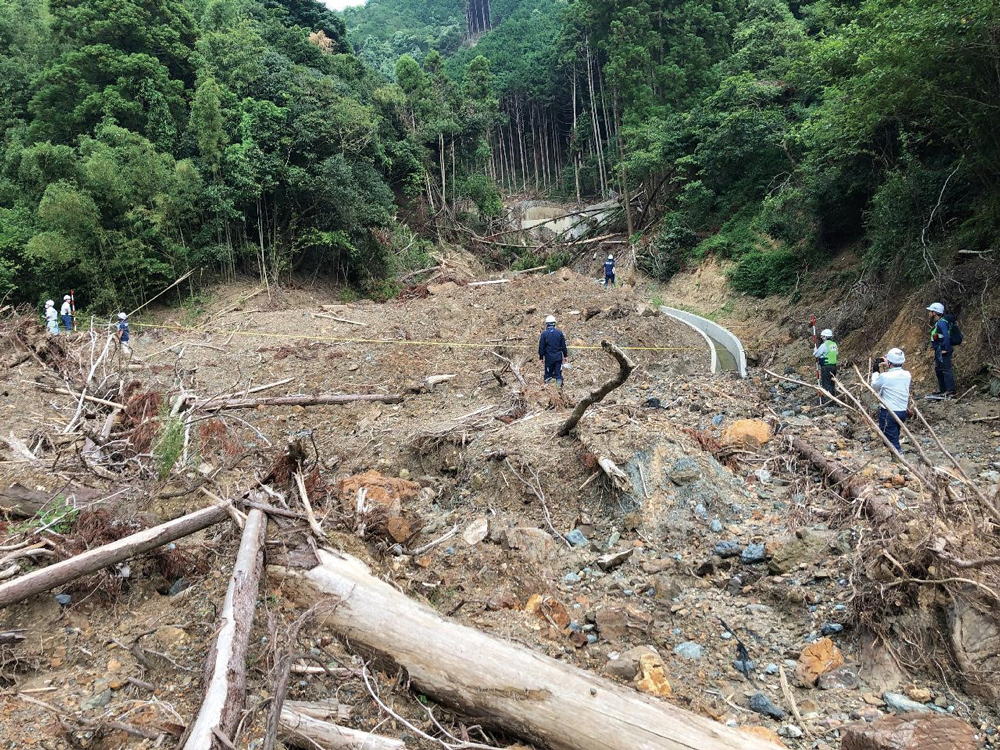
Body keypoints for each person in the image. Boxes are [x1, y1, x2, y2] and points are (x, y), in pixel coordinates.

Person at [871, 347, 911, 452]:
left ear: (889, 362)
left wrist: (875, 371)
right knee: (894, 434)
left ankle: (898, 460)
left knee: (890, 440)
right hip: (902, 411)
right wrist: (889, 362)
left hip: (888, 412)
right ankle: (895, 457)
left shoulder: (885, 376)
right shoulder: (907, 375)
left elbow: (874, 386)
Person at [926, 302, 955, 398]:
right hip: (939, 349)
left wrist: (946, 349)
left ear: (935, 312)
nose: (929, 313)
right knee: (939, 369)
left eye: (930, 311)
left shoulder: (942, 323)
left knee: (946, 369)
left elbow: (946, 336)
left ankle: (950, 390)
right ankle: (942, 390)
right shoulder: (939, 322)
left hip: (943, 349)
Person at [538, 314, 568, 387]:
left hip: (549, 358)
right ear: (554, 323)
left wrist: (541, 357)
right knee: (558, 374)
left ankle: (548, 390)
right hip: (558, 357)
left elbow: (541, 347)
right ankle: (558, 389)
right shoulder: (559, 333)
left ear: (547, 324)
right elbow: (563, 346)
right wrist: (565, 355)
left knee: (548, 374)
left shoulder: (544, 334)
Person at [812, 328, 838, 405]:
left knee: (826, 384)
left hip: (826, 367)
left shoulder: (824, 345)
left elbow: (816, 354)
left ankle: (829, 403)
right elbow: (836, 353)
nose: (822, 338)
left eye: (823, 337)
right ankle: (833, 401)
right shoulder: (834, 344)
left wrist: (815, 350)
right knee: (832, 384)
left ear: (826, 337)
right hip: (834, 367)